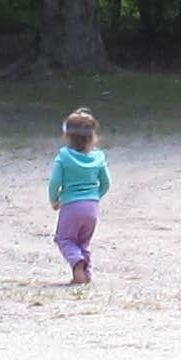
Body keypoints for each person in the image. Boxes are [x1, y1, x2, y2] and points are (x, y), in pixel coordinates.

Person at [47, 107, 110, 285]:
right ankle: (85, 275)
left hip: (71, 206)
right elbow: (106, 183)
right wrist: (95, 196)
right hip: (91, 207)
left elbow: (55, 181)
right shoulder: (98, 157)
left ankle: (77, 264)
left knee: (65, 239)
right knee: (83, 242)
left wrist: (54, 199)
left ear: (67, 135)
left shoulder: (64, 156)